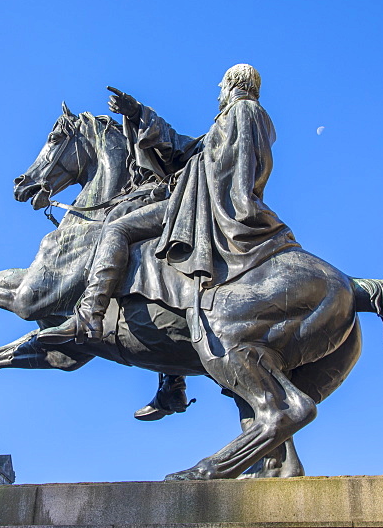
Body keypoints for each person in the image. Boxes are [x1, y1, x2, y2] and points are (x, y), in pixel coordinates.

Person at [37, 63, 298, 345]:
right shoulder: (232, 119)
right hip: (197, 197)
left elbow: (235, 169)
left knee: (117, 229)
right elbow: (188, 149)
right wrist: (138, 113)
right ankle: (172, 379)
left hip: (201, 204)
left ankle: (89, 313)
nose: (218, 94)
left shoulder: (243, 112)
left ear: (234, 84)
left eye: (221, 87)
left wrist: (196, 185)